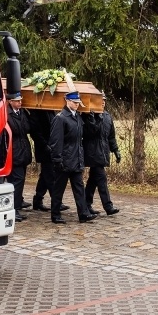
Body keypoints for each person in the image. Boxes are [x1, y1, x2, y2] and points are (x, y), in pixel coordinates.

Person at [48, 91, 97, 224]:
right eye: (75, 103)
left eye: (78, 103)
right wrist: (57, 159)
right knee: (58, 189)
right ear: (67, 101)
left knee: (79, 188)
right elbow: (56, 141)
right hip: (64, 160)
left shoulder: (77, 117)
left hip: (76, 159)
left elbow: (83, 136)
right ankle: (55, 214)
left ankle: (83, 213)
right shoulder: (60, 118)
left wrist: (90, 118)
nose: (77, 105)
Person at [82, 94, 121, 216]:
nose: (103, 102)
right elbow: (89, 132)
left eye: (104, 100)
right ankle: (108, 206)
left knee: (93, 180)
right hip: (92, 151)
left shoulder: (108, 116)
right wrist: (94, 117)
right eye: (100, 100)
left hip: (103, 151)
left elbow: (111, 136)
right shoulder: (88, 116)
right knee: (101, 178)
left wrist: (115, 150)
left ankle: (86, 204)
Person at [28, 109, 69, 213]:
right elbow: (35, 132)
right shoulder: (36, 112)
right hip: (44, 149)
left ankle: (38, 200)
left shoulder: (51, 111)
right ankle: (56, 202)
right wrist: (45, 145)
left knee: (45, 176)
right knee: (50, 175)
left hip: (51, 147)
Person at [6, 91, 31, 222]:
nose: (20, 102)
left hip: (23, 151)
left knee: (18, 181)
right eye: (17, 101)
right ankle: (13, 209)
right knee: (16, 182)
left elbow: (27, 128)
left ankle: (17, 204)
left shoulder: (22, 113)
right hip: (14, 152)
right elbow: (17, 129)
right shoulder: (8, 115)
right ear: (10, 101)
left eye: (21, 100)